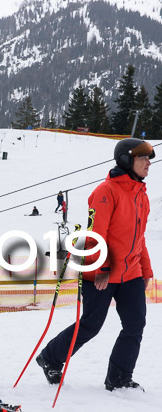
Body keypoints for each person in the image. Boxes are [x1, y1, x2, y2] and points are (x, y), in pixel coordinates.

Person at [37, 138, 155, 391]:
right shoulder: (106, 191)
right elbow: (95, 234)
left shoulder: (141, 195)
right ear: (127, 160)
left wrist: (146, 269)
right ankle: (50, 358)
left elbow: (139, 238)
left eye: (149, 159)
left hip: (131, 273)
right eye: (143, 158)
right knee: (91, 325)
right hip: (101, 272)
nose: (149, 164)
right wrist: (101, 268)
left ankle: (119, 376)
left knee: (135, 325)